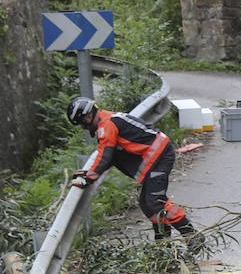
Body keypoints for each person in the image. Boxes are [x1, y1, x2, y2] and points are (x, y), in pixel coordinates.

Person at [66, 96, 200, 249]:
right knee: (147, 204)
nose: (85, 129)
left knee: (155, 201)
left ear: (87, 117)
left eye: (83, 125)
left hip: (160, 156)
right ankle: (163, 244)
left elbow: (105, 155)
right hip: (154, 158)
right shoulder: (108, 121)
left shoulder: (107, 125)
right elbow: (106, 155)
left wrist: (88, 178)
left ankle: (191, 235)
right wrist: (88, 173)